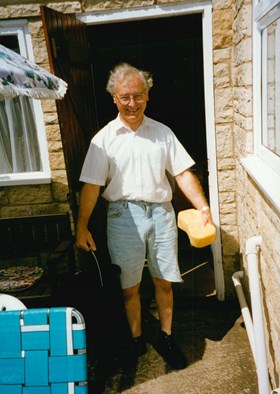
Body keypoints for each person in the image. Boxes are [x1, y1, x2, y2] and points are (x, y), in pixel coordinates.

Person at [76, 62, 213, 370]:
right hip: (123, 217)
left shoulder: (162, 133)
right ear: (114, 98)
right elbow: (91, 187)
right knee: (129, 287)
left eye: (139, 95)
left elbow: (182, 173)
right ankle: (136, 338)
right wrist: (81, 227)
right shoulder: (103, 140)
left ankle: (166, 336)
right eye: (125, 96)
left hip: (162, 214)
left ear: (148, 96)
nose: (132, 103)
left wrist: (203, 207)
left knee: (164, 281)